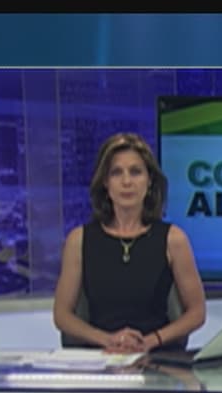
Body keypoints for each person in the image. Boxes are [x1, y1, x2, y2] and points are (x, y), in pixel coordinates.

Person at [53, 132, 206, 353]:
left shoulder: (174, 239)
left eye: (136, 172)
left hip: (158, 358)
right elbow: (62, 315)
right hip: (101, 358)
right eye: (116, 173)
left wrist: (150, 341)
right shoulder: (79, 240)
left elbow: (197, 312)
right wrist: (108, 340)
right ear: (105, 182)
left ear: (149, 180)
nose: (127, 182)